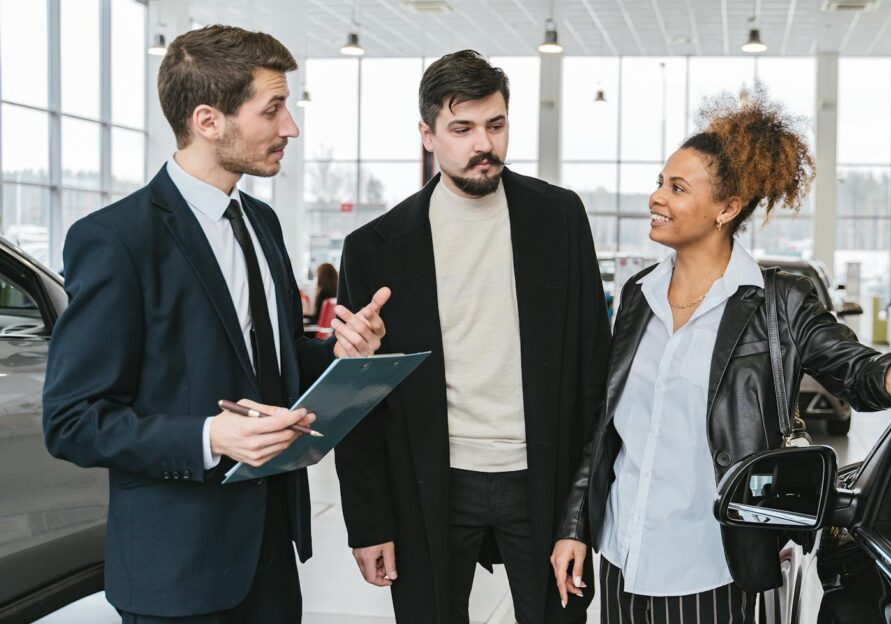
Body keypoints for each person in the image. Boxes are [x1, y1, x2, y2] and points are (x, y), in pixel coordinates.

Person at [550, 86, 891, 624]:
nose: (657, 198)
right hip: (624, 555)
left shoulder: (778, 301)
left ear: (727, 208)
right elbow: (604, 427)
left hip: (712, 562)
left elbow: (850, 365)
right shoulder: (637, 296)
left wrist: (888, 370)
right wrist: (574, 526)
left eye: (676, 187)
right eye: (658, 183)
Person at [42, 25, 389, 624]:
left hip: (271, 556)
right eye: (272, 109)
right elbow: (72, 420)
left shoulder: (262, 223)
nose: (291, 128)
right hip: (175, 571)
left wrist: (341, 353)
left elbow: (271, 369)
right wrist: (210, 438)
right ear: (208, 120)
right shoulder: (116, 240)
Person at [334, 50, 609, 624]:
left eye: (496, 124)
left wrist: (582, 515)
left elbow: (592, 372)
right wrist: (369, 523)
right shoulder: (375, 247)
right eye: (461, 128)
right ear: (427, 135)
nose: (483, 143)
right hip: (431, 482)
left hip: (544, 478)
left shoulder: (559, 218)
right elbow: (358, 401)